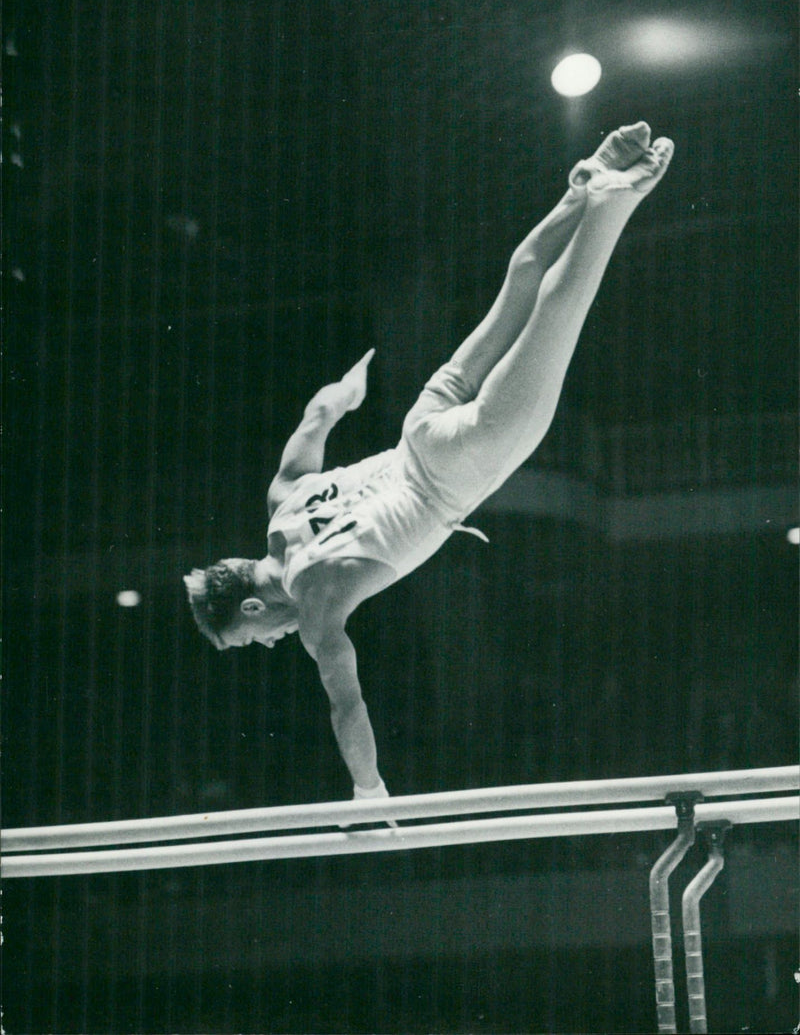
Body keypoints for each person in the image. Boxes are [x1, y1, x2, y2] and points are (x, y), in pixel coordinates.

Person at [185, 121, 674, 802]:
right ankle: (586, 180)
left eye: (253, 636)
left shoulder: (314, 600)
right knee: (520, 287)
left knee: (557, 315)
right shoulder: (283, 499)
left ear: (251, 599)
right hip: (421, 424)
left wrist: (369, 789)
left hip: (455, 471)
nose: (270, 642)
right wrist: (348, 393)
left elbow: (346, 705)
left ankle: (613, 199)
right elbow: (317, 415)